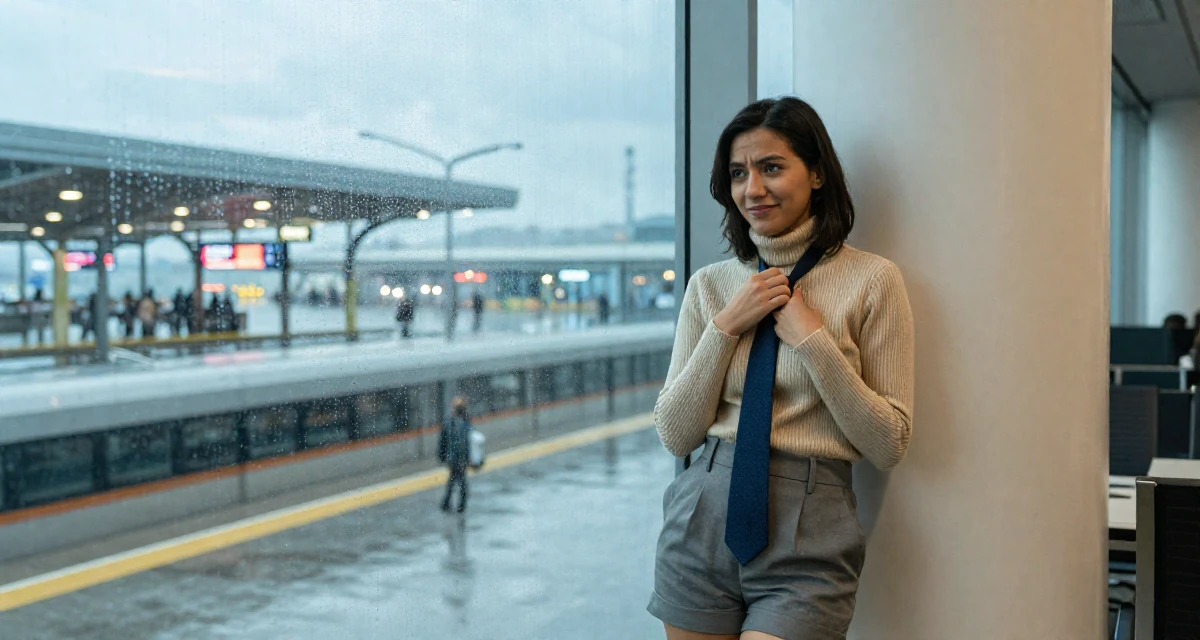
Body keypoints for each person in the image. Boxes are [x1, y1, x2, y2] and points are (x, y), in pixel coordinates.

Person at [647, 97, 915, 640]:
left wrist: (814, 340)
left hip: (812, 526)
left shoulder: (873, 280)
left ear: (816, 173)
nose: (753, 189)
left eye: (772, 167)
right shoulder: (712, 286)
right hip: (702, 514)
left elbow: (888, 444)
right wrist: (725, 328)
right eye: (739, 173)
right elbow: (676, 434)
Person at [438, 397, 472, 513]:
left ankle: (446, 504)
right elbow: (465, 443)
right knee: (461, 484)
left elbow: (442, 441)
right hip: (459, 459)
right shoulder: (464, 423)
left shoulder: (450, 422)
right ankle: (459, 506)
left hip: (452, 458)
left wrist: (442, 456)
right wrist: (466, 458)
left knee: (453, 481)